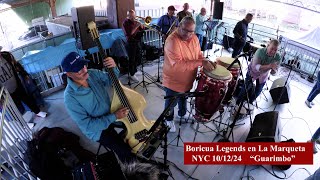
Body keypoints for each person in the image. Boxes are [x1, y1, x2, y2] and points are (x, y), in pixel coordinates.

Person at [62, 52, 134, 163]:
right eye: (78, 69)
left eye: (84, 65)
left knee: (134, 123)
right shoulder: (70, 98)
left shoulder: (92, 74)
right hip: (98, 130)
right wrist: (114, 116)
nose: (84, 70)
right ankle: (133, 170)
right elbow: (88, 126)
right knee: (123, 151)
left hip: (111, 114)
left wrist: (113, 67)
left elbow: (111, 80)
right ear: (69, 74)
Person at [163, 16, 216, 132]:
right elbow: (178, 65)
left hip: (188, 79)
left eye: (191, 31)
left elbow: (198, 55)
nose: (188, 34)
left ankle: (182, 114)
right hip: (174, 81)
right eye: (185, 30)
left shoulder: (195, 38)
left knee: (184, 98)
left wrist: (205, 61)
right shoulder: (172, 41)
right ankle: (168, 120)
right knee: (171, 103)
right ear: (179, 26)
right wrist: (201, 62)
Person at [0, 47, 47, 118]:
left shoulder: (6, 55)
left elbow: (17, 65)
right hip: (6, 93)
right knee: (15, 108)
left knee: (27, 99)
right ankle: (23, 124)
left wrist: (25, 74)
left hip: (16, 84)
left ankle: (37, 112)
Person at [235, 39, 281, 111]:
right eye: (272, 48)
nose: (273, 52)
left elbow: (274, 73)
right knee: (246, 88)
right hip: (252, 72)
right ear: (268, 46)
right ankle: (237, 103)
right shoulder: (260, 51)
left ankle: (249, 103)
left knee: (258, 91)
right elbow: (255, 67)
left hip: (263, 76)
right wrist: (269, 66)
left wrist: (274, 70)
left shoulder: (278, 57)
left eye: (276, 50)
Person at [122, 9, 145, 82]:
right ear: (128, 16)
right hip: (131, 42)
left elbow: (142, 29)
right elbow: (130, 34)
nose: (133, 17)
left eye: (134, 15)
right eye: (131, 16)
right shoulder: (125, 23)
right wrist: (136, 26)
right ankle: (131, 74)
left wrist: (141, 25)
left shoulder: (135, 21)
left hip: (137, 41)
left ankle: (134, 71)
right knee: (132, 58)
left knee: (138, 56)